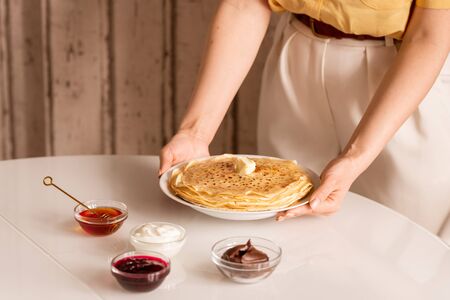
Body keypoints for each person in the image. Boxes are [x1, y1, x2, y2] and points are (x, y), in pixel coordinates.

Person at [159, 0, 450, 237]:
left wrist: (355, 157)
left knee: (407, 244)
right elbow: (244, 4)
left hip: (402, 76)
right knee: (288, 237)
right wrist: (196, 132)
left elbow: (430, 33)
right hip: (296, 57)